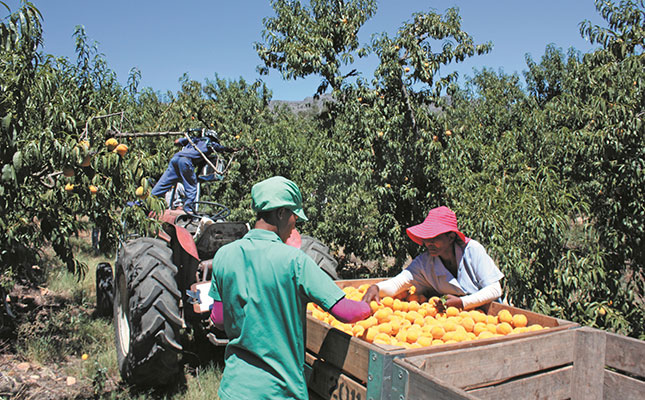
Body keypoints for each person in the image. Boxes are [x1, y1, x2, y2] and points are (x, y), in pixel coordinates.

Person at [208, 176, 371, 400]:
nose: (295, 223)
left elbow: (218, 318)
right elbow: (345, 312)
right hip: (279, 391)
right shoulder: (295, 261)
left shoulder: (224, 255)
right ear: (281, 213)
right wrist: (370, 305)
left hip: (235, 388)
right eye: (294, 215)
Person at [362, 206, 504, 310]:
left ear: (451, 237)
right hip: (459, 320)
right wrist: (376, 288)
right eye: (426, 238)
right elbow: (399, 283)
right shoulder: (424, 262)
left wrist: (463, 302)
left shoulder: (472, 250)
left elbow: (495, 289)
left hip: (491, 314)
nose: (429, 243)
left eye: (435, 237)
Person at [151, 130, 234, 213]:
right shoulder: (211, 144)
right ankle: (188, 209)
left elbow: (176, 142)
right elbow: (222, 148)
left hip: (175, 159)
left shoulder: (193, 139)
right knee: (191, 186)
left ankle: (146, 202)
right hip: (185, 161)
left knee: (163, 183)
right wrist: (232, 150)